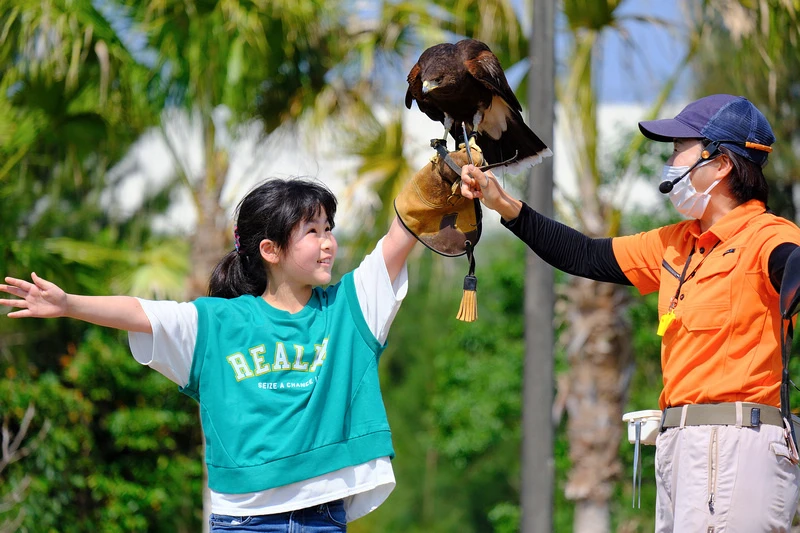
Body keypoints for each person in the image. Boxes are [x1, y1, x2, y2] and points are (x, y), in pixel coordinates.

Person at [0, 157, 449, 531]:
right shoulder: (218, 323)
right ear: (270, 250)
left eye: (329, 229)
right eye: (312, 232)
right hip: (244, 521)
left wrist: (440, 172)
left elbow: (397, 238)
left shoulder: (350, 309)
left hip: (323, 516)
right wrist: (67, 303)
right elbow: (141, 312)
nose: (328, 243)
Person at [460, 94, 800, 532]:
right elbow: (583, 254)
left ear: (721, 164)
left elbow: (787, 260)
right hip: (682, 446)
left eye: (680, 147)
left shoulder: (766, 235)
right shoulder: (676, 242)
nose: (671, 159)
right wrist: (503, 203)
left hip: (737, 442)